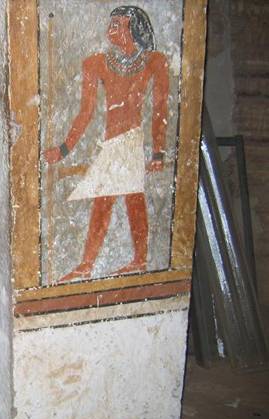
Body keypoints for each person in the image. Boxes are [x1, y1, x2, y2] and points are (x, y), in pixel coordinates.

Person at [45, 5, 169, 282]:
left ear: (133, 29)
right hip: (112, 144)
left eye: (117, 24)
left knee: (123, 199)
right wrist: (64, 149)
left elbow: (160, 109)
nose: (110, 29)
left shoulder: (155, 61)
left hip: (131, 141)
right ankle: (101, 263)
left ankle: (115, 262)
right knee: (114, 200)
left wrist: (158, 152)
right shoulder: (96, 63)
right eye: (111, 23)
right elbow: (85, 112)